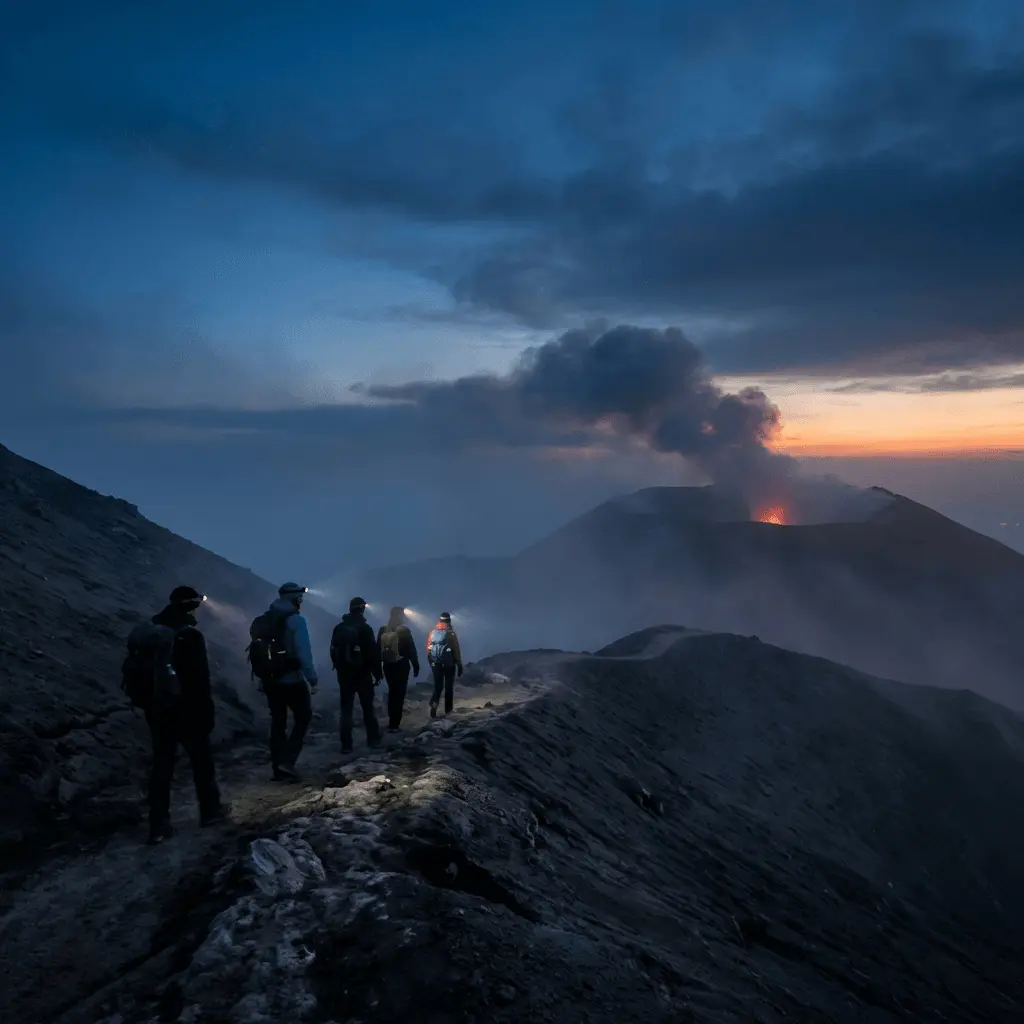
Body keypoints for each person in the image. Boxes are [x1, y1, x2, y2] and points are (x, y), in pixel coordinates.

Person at [131, 586, 229, 845]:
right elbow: (199, 680)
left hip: (158, 709)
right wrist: (206, 712)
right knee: (202, 763)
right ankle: (211, 813)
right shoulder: (190, 637)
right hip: (187, 710)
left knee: (162, 765)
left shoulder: (153, 632)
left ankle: (159, 825)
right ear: (191, 607)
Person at [260, 582, 318, 782]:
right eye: (299, 598)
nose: (301, 601)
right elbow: (304, 652)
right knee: (303, 717)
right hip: (291, 679)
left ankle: (277, 768)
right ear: (293, 598)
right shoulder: (295, 620)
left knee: (278, 722)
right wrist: (312, 678)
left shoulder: (268, 618)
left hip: (270, 680)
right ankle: (288, 760)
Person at [331, 596, 382, 753]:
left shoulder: (339, 628)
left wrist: (339, 667)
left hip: (344, 675)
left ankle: (346, 745)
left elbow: (333, 651)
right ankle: (373, 740)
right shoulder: (365, 628)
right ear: (362, 609)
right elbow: (373, 653)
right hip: (363, 674)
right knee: (367, 707)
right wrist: (378, 673)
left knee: (346, 710)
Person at [377, 606, 420, 732]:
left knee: (392, 691)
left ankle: (391, 721)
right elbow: (411, 649)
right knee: (399, 693)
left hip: (387, 666)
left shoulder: (382, 629)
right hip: (402, 665)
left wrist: (377, 668)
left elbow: (377, 649)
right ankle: (395, 723)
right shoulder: (404, 631)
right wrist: (416, 665)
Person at [426, 611, 463, 718]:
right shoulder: (450, 633)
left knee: (438, 686)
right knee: (448, 687)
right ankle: (448, 711)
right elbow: (456, 650)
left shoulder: (433, 633)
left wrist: (432, 662)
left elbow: (428, 649)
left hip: (436, 663)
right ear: (449, 621)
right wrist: (459, 665)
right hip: (449, 664)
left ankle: (434, 704)